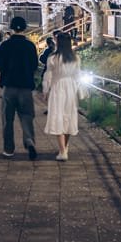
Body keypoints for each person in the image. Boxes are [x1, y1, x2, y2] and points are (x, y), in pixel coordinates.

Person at [0, 15, 39, 160]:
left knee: (7, 119)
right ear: (25, 28)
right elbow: (34, 66)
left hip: (9, 86)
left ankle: (8, 149)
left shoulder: (5, 46)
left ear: (12, 28)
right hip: (26, 87)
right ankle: (29, 141)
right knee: (27, 117)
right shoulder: (30, 46)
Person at [43, 32, 83, 161]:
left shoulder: (53, 58)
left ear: (58, 42)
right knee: (68, 117)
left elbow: (48, 76)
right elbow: (78, 76)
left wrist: (45, 90)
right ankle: (64, 148)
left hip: (57, 88)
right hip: (71, 88)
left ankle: (62, 151)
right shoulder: (75, 58)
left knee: (57, 116)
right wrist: (80, 90)